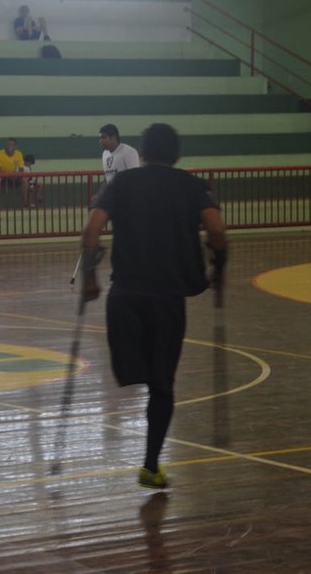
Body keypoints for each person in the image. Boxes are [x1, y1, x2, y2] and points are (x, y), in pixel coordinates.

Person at [81, 123, 228, 489]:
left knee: (131, 372)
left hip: (125, 295)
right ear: (176, 154)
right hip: (167, 299)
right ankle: (150, 465)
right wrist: (217, 269)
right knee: (163, 386)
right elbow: (216, 230)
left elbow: (92, 228)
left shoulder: (122, 183)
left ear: (141, 153)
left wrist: (89, 277)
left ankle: (141, 375)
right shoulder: (192, 185)